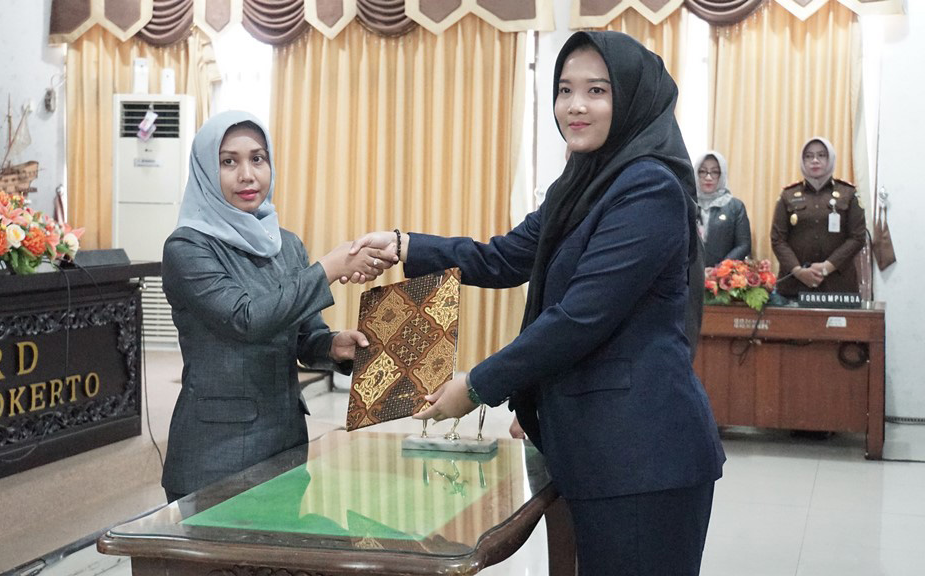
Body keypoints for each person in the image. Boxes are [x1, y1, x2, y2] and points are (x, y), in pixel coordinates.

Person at [353, 31, 724, 575]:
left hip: (643, 454)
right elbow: (505, 257)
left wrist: (476, 386)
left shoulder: (649, 188)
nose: (575, 106)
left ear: (631, 99)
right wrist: (405, 246)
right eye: (565, 90)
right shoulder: (584, 182)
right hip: (601, 447)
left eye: (597, 90)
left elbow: (579, 319)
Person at [160, 111, 393, 503]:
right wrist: (329, 268)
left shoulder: (285, 244)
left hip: (285, 441)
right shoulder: (188, 247)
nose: (247, 175)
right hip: (215, 454)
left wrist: (333, 345)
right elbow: (246, 319)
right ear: (205, 171)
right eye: (228, 162)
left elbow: (304, 336)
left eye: (258, 158)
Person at [771, 137, 867, 297]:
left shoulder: (848, 193)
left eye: (821, 155)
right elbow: (778, 239)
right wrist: (798, 271)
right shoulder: (788, 195)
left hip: (838, 284)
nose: (815, 160)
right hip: (794, 285)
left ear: (830, 159)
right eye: (808, 156)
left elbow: (857, 237)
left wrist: (826, 267)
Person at [695, 151, 751, 266]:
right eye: (703, 171)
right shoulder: (688, 204)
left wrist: (720, 269)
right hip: (689, 274)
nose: (708, 177)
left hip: (725, 274)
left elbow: (743, 245)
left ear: (722, 175)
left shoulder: (735, 206)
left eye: (715, 172)